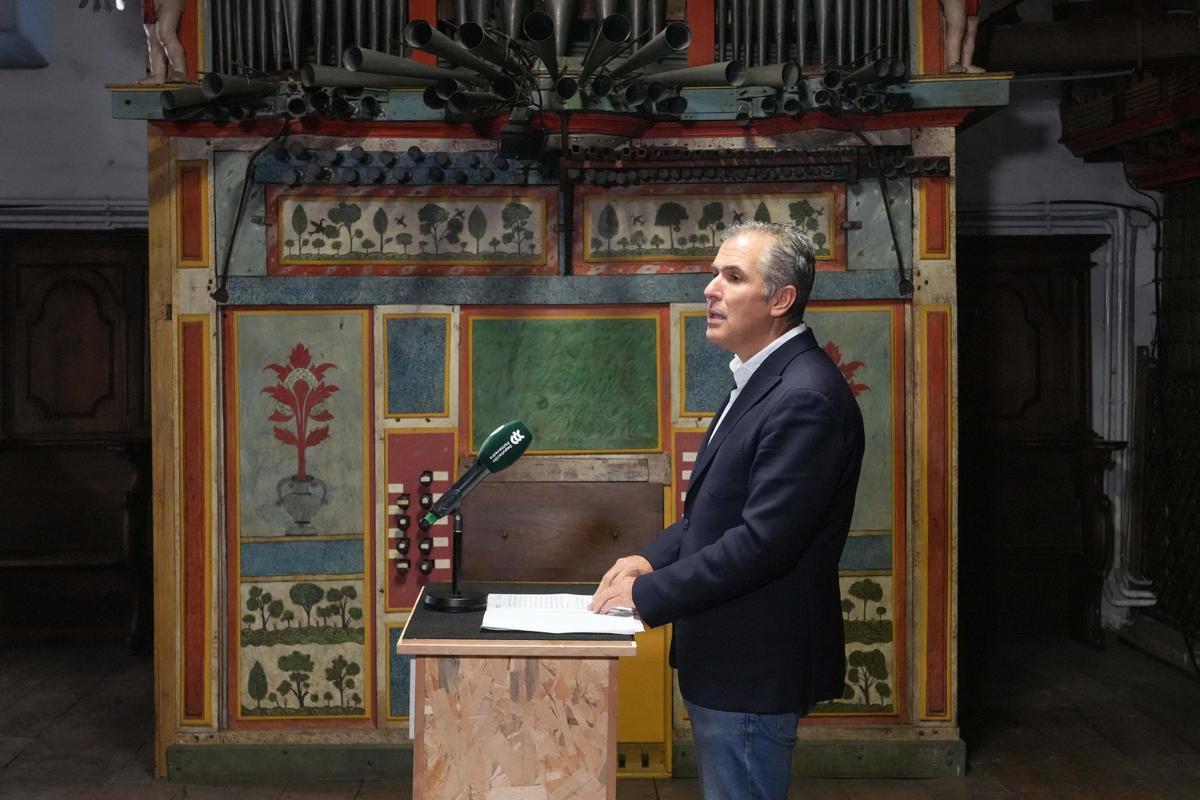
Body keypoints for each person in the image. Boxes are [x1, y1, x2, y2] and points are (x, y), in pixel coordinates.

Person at [590, 222, 865, 799]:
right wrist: (648, 558)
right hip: (727, 656)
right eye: (714, 274)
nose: (710, 289)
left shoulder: (805, 395)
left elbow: (763, 544)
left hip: (754, 665)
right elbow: (710, 514)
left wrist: (646, 598)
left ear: (781, 299)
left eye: (732, 276)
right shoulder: (762, 379)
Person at [139, 0, 188, 85]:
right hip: (148, 3)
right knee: (152, 39)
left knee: (166, 34)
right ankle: (157, 75)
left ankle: (180, 71)